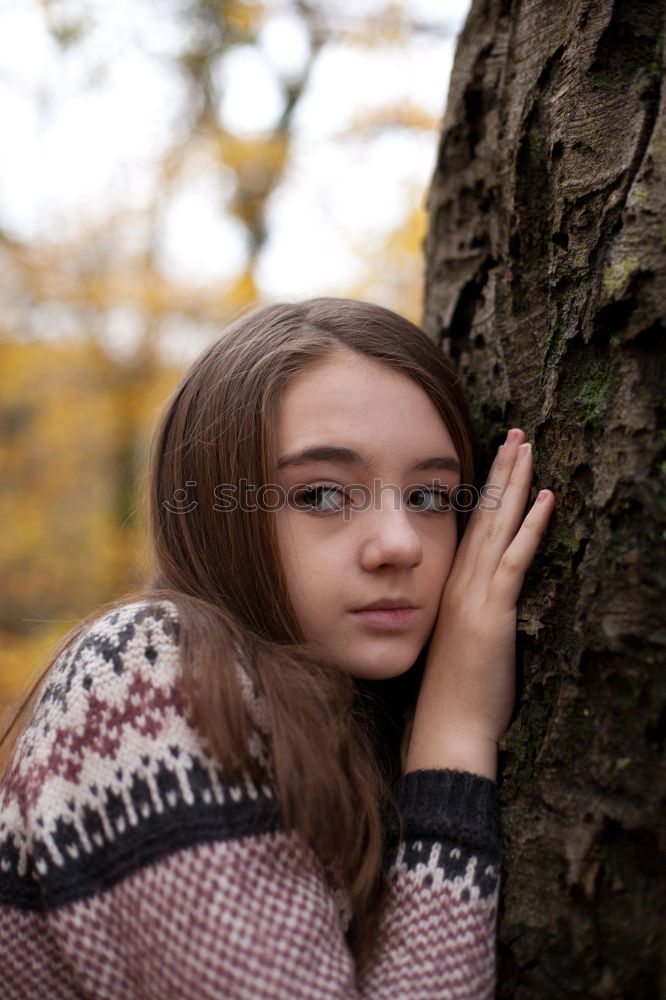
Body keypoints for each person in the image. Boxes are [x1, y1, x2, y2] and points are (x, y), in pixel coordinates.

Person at [0, 298, 555, 999]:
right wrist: (454, 740)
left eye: (431, 498)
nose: (400, 544)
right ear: (212, 511)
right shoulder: (145, 677)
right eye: (322, 495)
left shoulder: (350, 711)